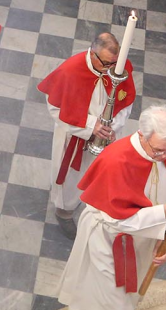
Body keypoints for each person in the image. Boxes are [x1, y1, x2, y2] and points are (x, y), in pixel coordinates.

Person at [57, 105, 166, 310]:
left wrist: (164, 239)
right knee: (113, 296)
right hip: (110, 237)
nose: (165, 156)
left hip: (145, 236)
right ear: (142, 136)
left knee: (127, 294)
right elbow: (117, 218)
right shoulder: (116, 160)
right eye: (159, 150)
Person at [39, 32, 135, 239]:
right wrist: (92, 126)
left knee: (102, 173)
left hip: (108, 136)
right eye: (106, 63)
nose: (111, 69)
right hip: (74, 139)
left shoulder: (118, 67)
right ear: (92, 53)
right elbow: (55, 109)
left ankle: (94, 207)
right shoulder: (70, 71)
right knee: (71, 179)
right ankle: (64, 212)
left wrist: (113, 126)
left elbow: (127, 101)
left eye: (114, 64)